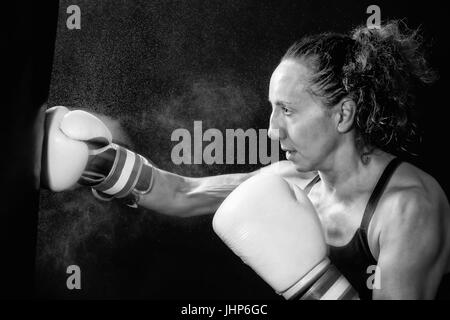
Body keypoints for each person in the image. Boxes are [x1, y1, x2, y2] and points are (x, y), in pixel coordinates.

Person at [42, 20, 450, 300]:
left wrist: (313, 283)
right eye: (272, 110)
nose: (273, 130)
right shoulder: (292, 178)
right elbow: (183, 193)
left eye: (287, 111)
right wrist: (95, 162)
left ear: (343, 114)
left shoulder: (408, 208)